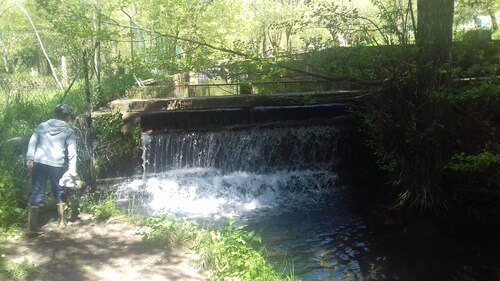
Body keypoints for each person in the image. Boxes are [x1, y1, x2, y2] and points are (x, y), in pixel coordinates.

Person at [26, 103, 77, 232]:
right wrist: (72, 170)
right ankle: (61, 222)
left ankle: (32, 226)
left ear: (54, 114)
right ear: (67, 117)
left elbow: (32, 141)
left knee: (37, 191)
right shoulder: (68, 131)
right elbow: (72, 152)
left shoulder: (42, 126)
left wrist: (29, 158)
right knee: (59, 191)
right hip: (56, 164)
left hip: (39, 161)